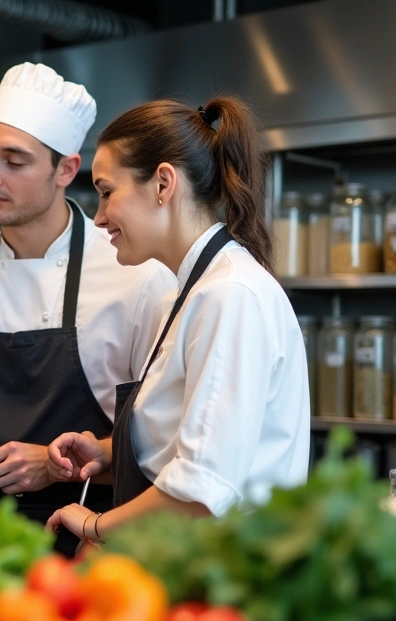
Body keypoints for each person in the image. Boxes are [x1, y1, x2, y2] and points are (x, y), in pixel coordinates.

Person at [45, 97, 311, 543]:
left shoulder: (228, 296)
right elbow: (198, 434)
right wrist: (110, 452)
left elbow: (200, 492)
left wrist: (94, 526)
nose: (100, 217)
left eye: (107, 192)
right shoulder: (191, 292)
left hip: (226, 571)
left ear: (164, 183)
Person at [0, 63, 176, 556]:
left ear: (66, 169)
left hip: (91, 536)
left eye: (14, 161)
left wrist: (53, 462)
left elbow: (166, 446)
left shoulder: (137, 276)